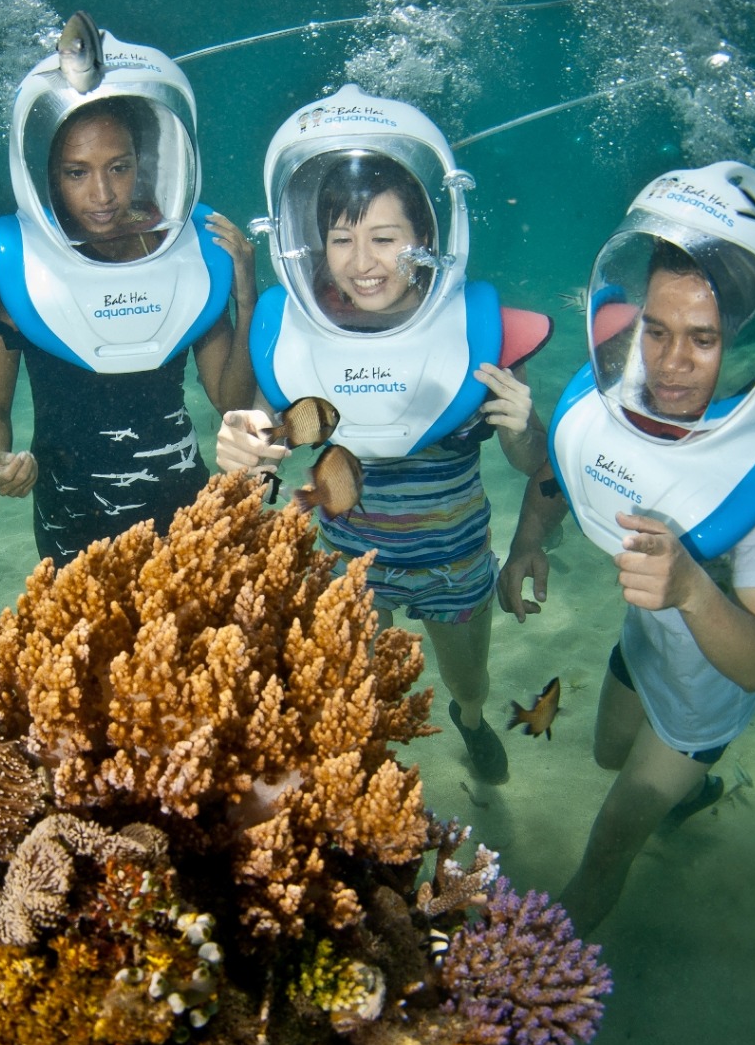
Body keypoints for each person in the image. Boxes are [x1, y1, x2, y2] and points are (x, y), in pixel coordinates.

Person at [501, 162, 755, 934]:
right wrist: (526, 541)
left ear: (748, 343)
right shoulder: (618, 393)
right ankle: (699, 793)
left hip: (703, 700)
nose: (670, 362)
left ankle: (521, 1003)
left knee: (608, 844)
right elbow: (566, 466)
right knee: (605, 757)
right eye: (654, 329)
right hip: (642, 650)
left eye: (703, 338)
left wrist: (689, 586)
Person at [215, 85, 557, 784]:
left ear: (426, 240)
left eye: (384, 238)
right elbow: (258, 448)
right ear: (312, 242)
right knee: (346, 694)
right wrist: (239, 451)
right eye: (340, 238)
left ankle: (467, 718)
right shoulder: (291, 333)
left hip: (455, 561)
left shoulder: (478, 334)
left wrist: (525, 427)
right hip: (349, 559)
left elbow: (535, 465)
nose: (361, 261)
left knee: (468, 682)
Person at [0, 28, 258, 560]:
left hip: (183, 507)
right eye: (77, 173)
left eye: (119, 168)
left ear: (143, 163)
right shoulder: (20, 278)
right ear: (49, 177)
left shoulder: (184, 255)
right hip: (69, 519)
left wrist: (245, 296)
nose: (102, 195)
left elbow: (230, 400)